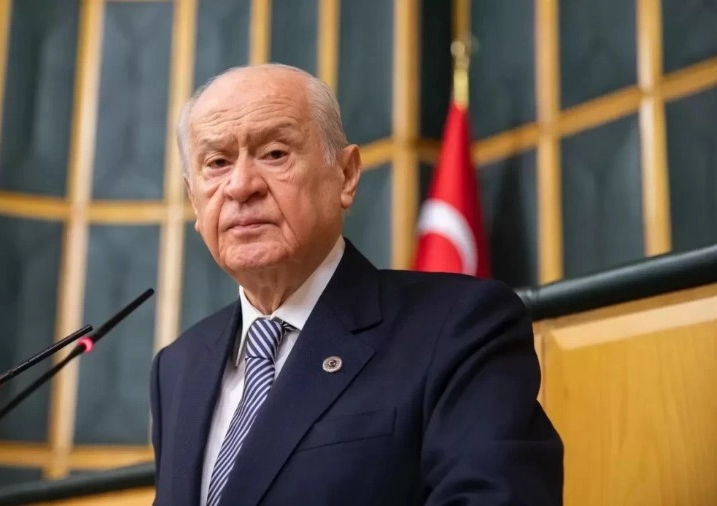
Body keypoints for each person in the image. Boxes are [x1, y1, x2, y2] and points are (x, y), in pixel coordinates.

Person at [149, 63, 563, 506]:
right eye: (217, 163)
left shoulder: (460, 327)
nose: (241, 186)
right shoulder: (177, 367)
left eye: (274, 154)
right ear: (194, 201)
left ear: (345, 176)